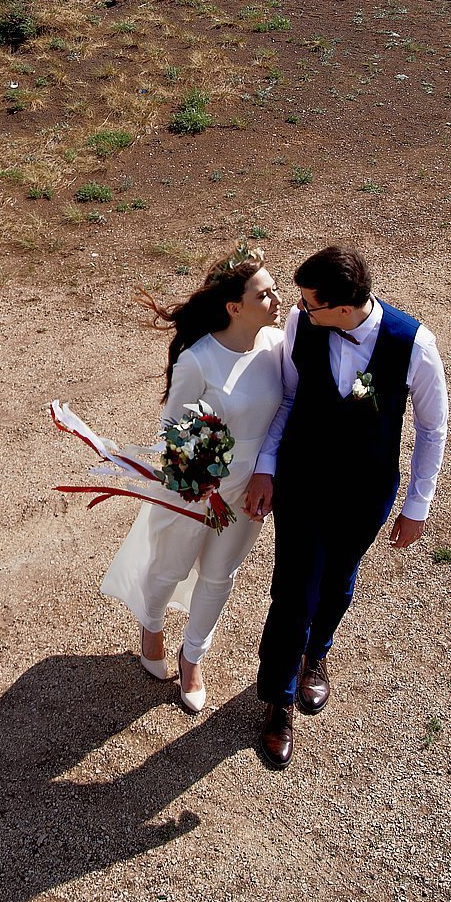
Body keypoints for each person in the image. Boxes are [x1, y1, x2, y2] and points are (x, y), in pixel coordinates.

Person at [241, 245, 447, 771]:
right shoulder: (300, 323)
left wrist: (417, 503)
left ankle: (318, 655)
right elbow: (290, 397)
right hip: (302, 480)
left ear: (345, 307)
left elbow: (431, 429)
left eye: (312, 304)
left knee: (339, 582)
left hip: (364, 491)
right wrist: (265, 466)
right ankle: (279, 699)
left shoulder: (413, 345)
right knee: (291, 590)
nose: (301, 309)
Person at [98, 253, 285, 713]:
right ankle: (153, 625)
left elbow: (286, 410)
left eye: (274, 288)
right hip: (195, 486)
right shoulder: (198, 361)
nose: (277, 299)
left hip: (250, 490)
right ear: (233, 307)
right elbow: (173, 429)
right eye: (263, 294)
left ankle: (192, 657)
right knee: (171, 568)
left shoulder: (279, 346)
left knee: (221, 575)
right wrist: (201, 480)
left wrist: (268, 472)